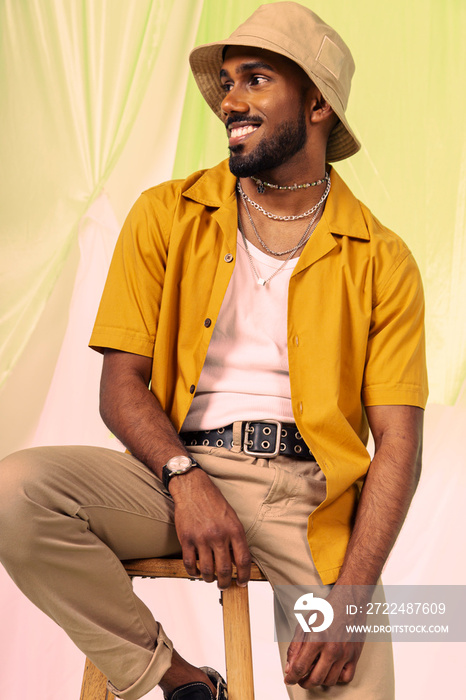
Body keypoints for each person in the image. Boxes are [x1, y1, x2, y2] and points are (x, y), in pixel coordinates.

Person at [0, 3, 428, 699]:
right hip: (173, 477)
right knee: (17, 492)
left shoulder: (383, 260)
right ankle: (182, 681)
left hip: (310, 499)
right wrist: (183, 477)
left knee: (349, 682)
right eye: (227, 83)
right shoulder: (164, 215)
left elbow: (399, 445)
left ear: (318, 102)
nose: (230, 101)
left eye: (255, 80)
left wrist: (351, 598)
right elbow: (121, 387)